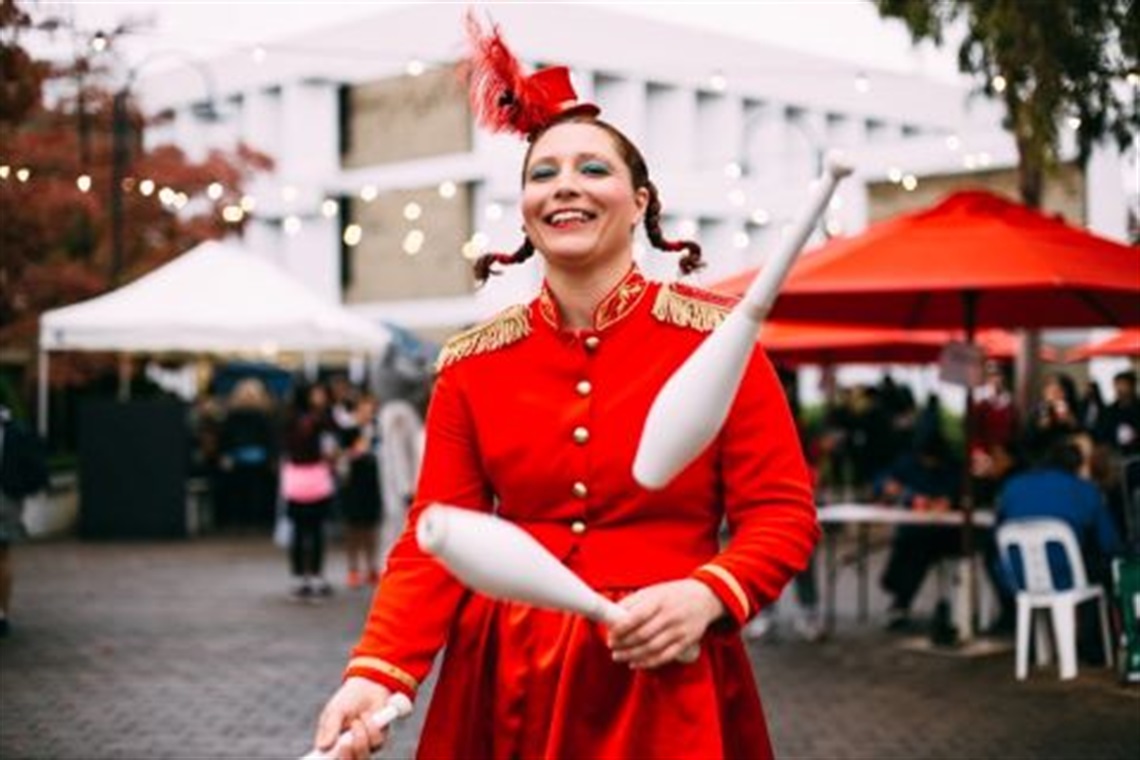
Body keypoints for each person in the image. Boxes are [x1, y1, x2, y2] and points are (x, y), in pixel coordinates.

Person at [310, 17, 818, 760]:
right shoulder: (473, 361)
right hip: (507, 678)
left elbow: (781, 513)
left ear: (642, 201)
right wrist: (378, 672)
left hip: (664, 674)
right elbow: (432, 543)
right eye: (542, 173)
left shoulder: (718, 340)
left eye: (593, 169)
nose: (565, 188)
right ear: (523, 209)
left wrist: (709, 593)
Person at [996, 437, 1124, 662]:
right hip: (1066, 576)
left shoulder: (1013, 486)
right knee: (1108, 570)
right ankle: (1096, 649)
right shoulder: (1084, 490)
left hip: (1018, 580)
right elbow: (1109, 543)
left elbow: (997, 533)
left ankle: (1032, 645)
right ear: (1078, 466)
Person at [875, 432, 962, 631]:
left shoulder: (952, 468)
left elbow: (958, 492)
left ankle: (900, 599)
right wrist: (898, 492)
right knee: (910, 542)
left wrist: (949, 500)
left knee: (918, 546)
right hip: (916, 527)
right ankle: (897, 592)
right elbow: (882, 480)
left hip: (947, 533)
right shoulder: (908, 463)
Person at [281, 382, 338, 601]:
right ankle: (302, 577)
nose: (320, 397)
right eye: (316, 393)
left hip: (309, 477)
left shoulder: (323, 419)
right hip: (305, 477)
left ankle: (312, 576)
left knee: (313, 530)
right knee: (302, 530)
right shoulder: (303, 420)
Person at [0, 404, 49, 638]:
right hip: (8, 498)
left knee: (3, 556)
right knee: (3, 555)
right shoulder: (18, 431)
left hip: (7, 498)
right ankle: (1, 614)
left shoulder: (18, 432)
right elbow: (37, 468)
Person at [217, 378, 279, 528]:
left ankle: (256, 519)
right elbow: (226, 437)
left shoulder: (265, 416)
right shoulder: (232, 416)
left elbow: (270, 438)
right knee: (239, 491)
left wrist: (272, 457)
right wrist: (226, 454)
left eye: (252, 394)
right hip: (239, 459)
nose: (248, 397)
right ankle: (241, 519)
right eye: (245, 394)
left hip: (259, 459)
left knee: (258, 491)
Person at [376, 395, 425, 562]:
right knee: (399, 532)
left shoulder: (408, 413)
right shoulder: (399, 412)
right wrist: (406, 489)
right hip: (406, 491)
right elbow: (399, 456)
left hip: (413, 488)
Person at [341, 394, 383, 589]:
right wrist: (354, 452)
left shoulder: (377, 430)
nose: (368, 413)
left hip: (373, 483)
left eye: (371, 409)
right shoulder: (348, 430)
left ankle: (372, 568)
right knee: (353, 528)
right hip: (352, 484)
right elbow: (340, 456)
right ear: (356, 410)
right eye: (363, 409)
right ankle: (353, 569)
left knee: (371, 528)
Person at [1096, 370, 1140, 457]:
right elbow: (1102, 431)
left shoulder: (1137, 408)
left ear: (1131, 386)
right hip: (1115, 454)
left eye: (1123, 384)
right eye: (1117, 384)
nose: (1119, 388)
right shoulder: (1109, 411)